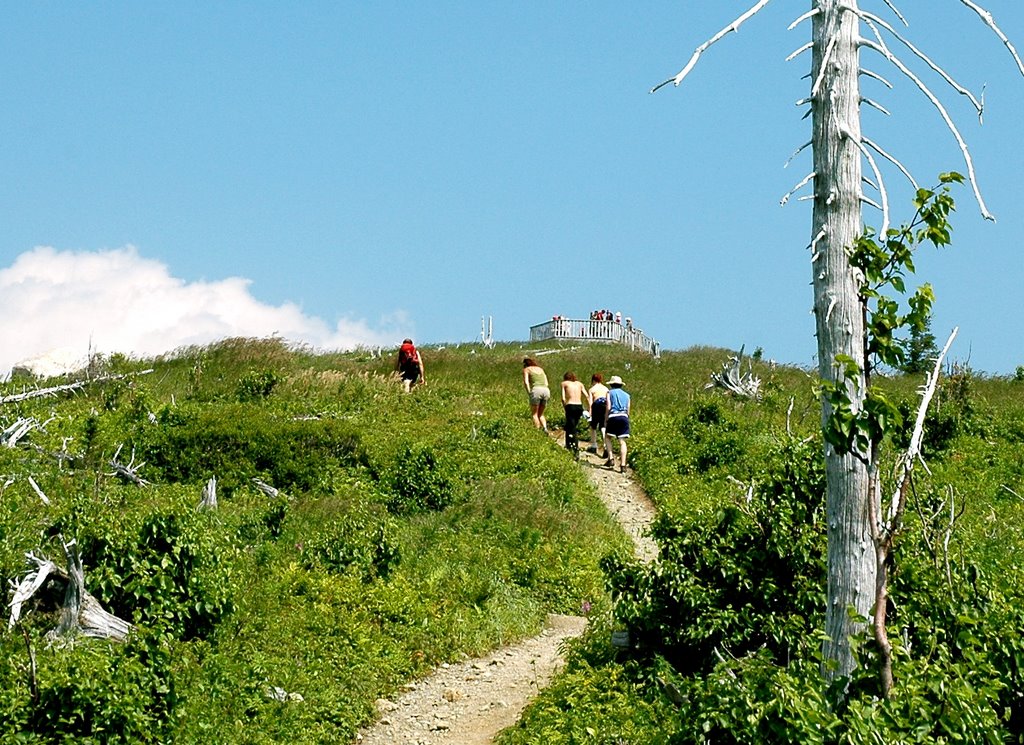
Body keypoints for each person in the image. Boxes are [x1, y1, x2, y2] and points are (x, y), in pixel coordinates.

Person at [603, 375, 631, 473]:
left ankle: (611, 458)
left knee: (608, 437)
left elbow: (608, 407)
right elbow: (628, 410)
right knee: (622, 441)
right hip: (624, 417)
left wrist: (606, 418)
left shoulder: (609, 393)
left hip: (613, 416)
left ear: (611, 384)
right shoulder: (627, 395)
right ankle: (623, 465)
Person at [560, 372, 591, 459]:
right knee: (572, 426)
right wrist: (589, 408)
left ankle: (575, 449)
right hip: (579, 406)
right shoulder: (579, 384)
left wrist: (565, 406)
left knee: (571, 427)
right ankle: (569, 445)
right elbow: (587, 395)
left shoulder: (564, 383)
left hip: (570, 405)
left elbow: (563, 398)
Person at [522, 357, 550, 430]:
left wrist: (529, 392)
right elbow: (546, 382)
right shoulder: (541, 369)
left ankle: (537, 430)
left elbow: (526, 382)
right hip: (546, 390)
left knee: (534, 414)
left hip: (536, 390)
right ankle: (545, 428)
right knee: (541, 414)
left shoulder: (526, 370)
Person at [587, 373, 610, 455]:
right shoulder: (606, 388)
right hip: (605, 405)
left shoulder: (592, 389)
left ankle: (594, 445)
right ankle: (606, 446)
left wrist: (590, 412)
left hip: (596, 405)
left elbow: (590, 402)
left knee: (593, 426)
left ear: (593, 380)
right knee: (603, 426)